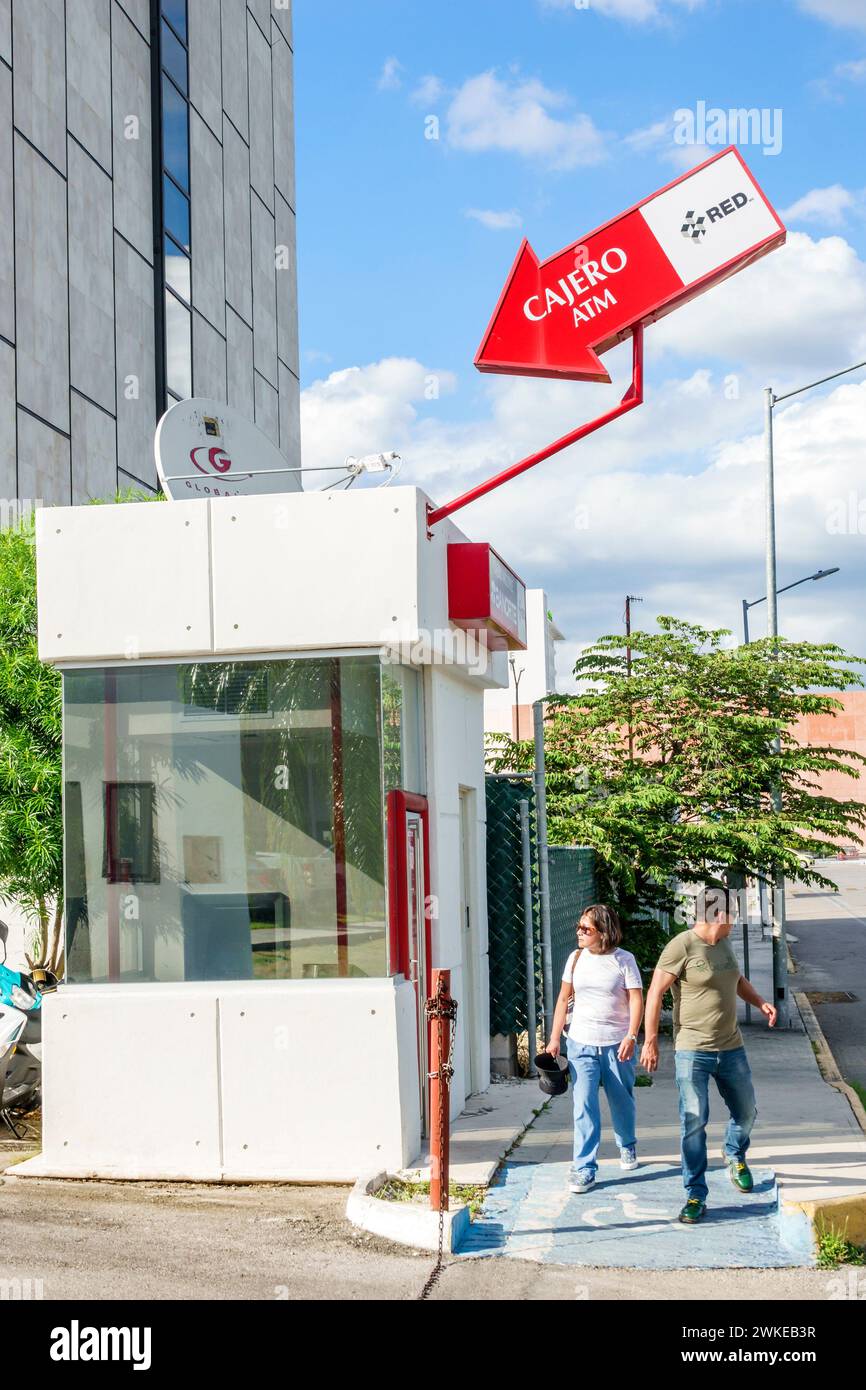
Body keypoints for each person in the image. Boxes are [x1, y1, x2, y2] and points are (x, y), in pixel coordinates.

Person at [640, 886, 777, 1225]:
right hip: (692, 1051)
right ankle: (695, 1194)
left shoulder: (724, 944)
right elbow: (655, 993)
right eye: (735, 914)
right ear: (720, 915)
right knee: (694, 1122)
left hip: (731, 1047)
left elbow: (737, 979)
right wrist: (651, 1040)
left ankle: (734, 1152)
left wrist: (760, 1002)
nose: (738, 920)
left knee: (746, 1112)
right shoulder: (681, 947)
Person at [545, 904, 644, 1194]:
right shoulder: (575, 959)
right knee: (584, 1103)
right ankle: (584, 1167)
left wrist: (631, 1036)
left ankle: (627, 1144)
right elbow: (563, 1000)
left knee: (621, 1099)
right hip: (581, 1041)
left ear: (603, 932)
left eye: (586, 929)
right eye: (579, 926)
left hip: (617, 1043)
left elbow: (636, 999)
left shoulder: (624, 960)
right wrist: (554, 1039)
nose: (579, 932)